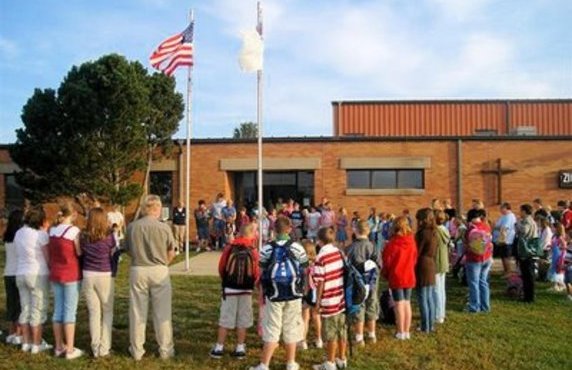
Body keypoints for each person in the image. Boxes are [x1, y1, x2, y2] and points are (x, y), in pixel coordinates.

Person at [250, 216, 308, 370]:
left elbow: (261, 272)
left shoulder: (267, 248)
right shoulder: (298, 247)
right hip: (294, 293)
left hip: (273, 294)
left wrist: (261, 292)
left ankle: (264, 364)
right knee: (291, 327)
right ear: (289, 229)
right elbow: (305, 269)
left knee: (272, 327)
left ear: (274, 230)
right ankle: (291, 363)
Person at [126, 195, 176, 360]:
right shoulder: (164, 228)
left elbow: (127, 249)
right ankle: (165, 349)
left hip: (138, 268)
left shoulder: (132, 227)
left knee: (137, 311)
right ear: (156, 208)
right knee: (163, 312)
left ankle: (137, 350)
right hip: (159, 269)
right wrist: (165, 264)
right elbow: (172, 251)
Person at [211, 224, 259, 360]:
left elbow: (221, 268)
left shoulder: (229, 247)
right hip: (246, 289)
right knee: (243, 319)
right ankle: (240, 347)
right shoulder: (253, 250)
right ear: (251, 234)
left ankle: (219, 347)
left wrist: (226, 280)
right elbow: (256, 272)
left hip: (230, 288)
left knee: (225, 318)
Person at [15, 206, 53, 354]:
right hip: (37, 273)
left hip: (21, 272)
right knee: (38, 308)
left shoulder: (19, 233)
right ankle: (37, 343)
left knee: (25, 308)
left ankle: (26, 342)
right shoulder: (41, 235)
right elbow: (47, 257)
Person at [80, 207, 117, 358]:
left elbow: (80, 254)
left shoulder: (83, 236)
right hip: (105, 274)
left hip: (88, 274)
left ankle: (95, 348)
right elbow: (114, 255)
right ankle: (104, 347)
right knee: (107, 311)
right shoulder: (110, 237)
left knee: (94, 313)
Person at [48, 202, 83, 359]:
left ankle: (58, 346)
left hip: (55, 273)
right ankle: (69, 348)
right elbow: (79, 252)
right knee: (70, 312)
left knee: (58, 310)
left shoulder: (52, 230)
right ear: (74, 213)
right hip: (71, 274)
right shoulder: (74, 231)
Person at [312, 227, 347, 370]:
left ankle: (330, 362)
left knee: (330, 333)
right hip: (340, 295)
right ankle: (342, 358)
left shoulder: (320, 257)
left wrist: (318, 302)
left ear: (319, 241)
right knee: (341, 330)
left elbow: (320, 282)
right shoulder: (338, 252)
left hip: (328, 298)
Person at [382, 216, 417, 340]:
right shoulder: (412, 241)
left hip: (397, 275)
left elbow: (387, 261)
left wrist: (385, 274)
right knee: (407, 303)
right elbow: (414, 259)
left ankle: (401, 331)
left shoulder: (392, 244)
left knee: (399, 304)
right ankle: (406, 331)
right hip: (409, 274)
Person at [347, 220, 379, 346]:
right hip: (372, 282)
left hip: (357, 283)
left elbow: (348, 266)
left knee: (359, 306)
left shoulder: (351, 247)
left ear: (355, 231)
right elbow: (378, 264)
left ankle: (359, 337)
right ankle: (372, 334)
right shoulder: (373, 246)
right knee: (372, 304)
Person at [465, 209, 493, 312]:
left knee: (474, 283)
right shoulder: (486, 226)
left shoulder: (470, 229)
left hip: (474, 258)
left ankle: (474, 306)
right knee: (483, 282)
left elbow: (467, 243)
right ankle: (485, 306)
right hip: (487, 257)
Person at [414, 208, 437, 332]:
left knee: (423, 297)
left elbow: (417, 251)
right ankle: (431, 324)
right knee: (429, 297)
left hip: (423, 264)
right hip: (431, 263)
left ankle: (425, 326)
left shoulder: (423, 233)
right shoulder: (434, 231)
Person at [4, 209, 24, 345]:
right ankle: (19, 333)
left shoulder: (6, 237)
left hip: (7, 273)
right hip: (18, 272)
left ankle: (11, 332)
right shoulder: (19, 238)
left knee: (11, 304)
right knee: (20, 304)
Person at [299, 240, 322, 350]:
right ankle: (319, 339)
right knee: (316, 317)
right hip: (316, 293)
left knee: (305, 317)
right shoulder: (317, 264)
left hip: (306, 293)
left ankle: (303, 341)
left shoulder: (302, 266)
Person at [516, 204, 539, 303]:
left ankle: (529, 297)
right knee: (526, 274)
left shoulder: (527, 221)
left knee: (528, 274)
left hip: (527, 250)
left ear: (525, 211)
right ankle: (527, 295)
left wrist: (518, 224)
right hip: (529, 249)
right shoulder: (530, 220)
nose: (519, 213)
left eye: (521, 211)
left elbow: (524, 231)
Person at [434, 210, 450, 324]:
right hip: (443, 261)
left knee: (436, 290)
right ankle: (441, 313)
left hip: (437, 262)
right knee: (441, 289)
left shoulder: (436, 232)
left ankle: (438, 314)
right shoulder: (445, 230)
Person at [493, 203, 517, 275]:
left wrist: (496, 227)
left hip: (506, 240)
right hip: (500, 239)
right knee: (503, 257)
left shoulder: (510, 217)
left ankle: (508, 272)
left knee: (506, 257)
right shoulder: (503, 216)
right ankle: (505, 271)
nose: (500, 210)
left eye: (502, 208)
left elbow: (504, 227)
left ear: (506, 208)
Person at [549, 223, 567, 292]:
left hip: (559, 256)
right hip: (554, 255)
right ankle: (555, 285)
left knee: (558, 270)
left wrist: (562, 257)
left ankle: (561, 285)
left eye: (553, 227)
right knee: (553, 269)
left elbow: (564, 247)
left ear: (557, 229)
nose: (551, 229)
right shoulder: (554, 236)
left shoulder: (560, 238)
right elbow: (553, 244)